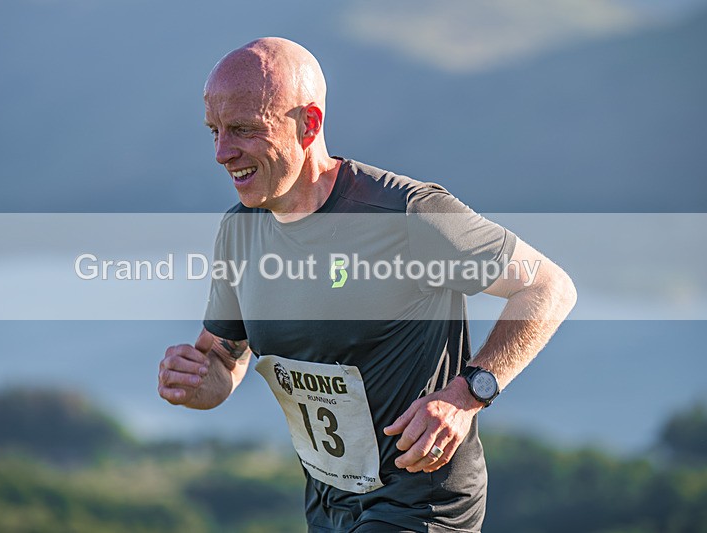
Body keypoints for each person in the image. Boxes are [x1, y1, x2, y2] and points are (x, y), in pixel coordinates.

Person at [158, 37, 577, 533]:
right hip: (328, 508)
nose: (222, 152)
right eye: (215, 131)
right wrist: (192, 378)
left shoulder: (404, 213)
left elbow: (548, 287)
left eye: (244, 130)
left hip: (421, 503)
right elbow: (225, 361)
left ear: (308, 124)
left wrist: (468, 393)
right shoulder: (240, 230)